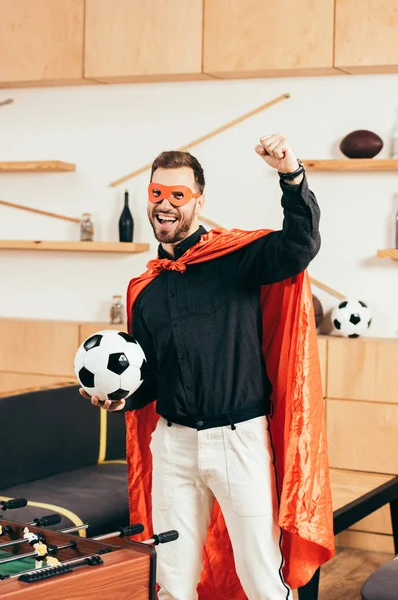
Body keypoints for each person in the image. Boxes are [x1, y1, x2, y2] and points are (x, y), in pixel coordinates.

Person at [80, 133, 334, 600]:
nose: (165, 204)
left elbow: (301, 244)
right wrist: (118, 397)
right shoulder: (146, 288)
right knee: (173, 579)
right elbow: (150, 374)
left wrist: (290, 174)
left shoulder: (236, 258)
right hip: (172, 445)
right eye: (157, 193)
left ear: (197, 201)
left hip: (238, 442)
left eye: (178, 195)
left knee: (262, 577)